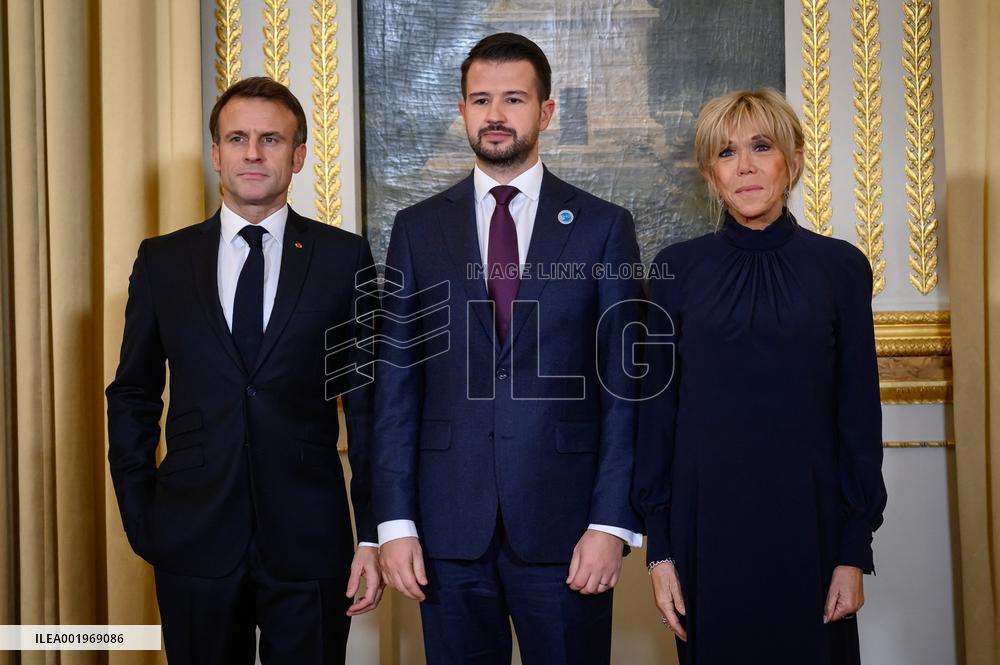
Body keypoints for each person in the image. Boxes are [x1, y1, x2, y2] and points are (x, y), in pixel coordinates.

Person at [373, 33, 643, 665]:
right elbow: (395, 385)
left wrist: (610, 524)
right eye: (481, 99)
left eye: (514, 99)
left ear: (545, 112)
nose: (496, 115)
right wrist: (395, 523)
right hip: (446, 529)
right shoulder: (416, 229)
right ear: (463, 111)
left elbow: (624, 388)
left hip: (568, 527)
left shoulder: (604, 227)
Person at [106, 76, 382, 665]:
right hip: (192, 538)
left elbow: (367, 407)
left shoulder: (343, 258)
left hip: (310, 543)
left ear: (299, 155)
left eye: (270, 140)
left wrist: (371, 533)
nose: (252, 153)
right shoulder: (163, 260)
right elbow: (132, 393)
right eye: (237, 138)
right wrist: (142, 516)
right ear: (216, 153)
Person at [633, 87, 888, 665]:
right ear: (709, 173)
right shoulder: (674, 270)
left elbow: (858, 419)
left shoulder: (841, 268)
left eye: (761, 146)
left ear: (792, 161)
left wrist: (853, 551)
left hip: (812, 531)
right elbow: (658, 420)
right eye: (726, 153)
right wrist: (660, 552)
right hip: (706, 532)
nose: (744, 166)